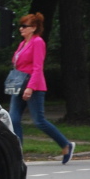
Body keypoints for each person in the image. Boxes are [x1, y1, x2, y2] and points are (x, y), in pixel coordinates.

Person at [9, 12, 74, 164]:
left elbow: (38, 68)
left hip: (34, 86)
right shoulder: (22, 43)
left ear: (34, 28)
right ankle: (18, 155)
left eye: (25, 26)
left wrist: (30, 88)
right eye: (21, 26)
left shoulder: (38, 42)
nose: (21, 29)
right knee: (13, 119)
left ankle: (66, 144)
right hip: (19, 85)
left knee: (39, 121)